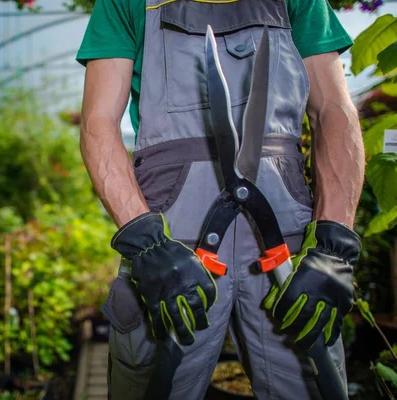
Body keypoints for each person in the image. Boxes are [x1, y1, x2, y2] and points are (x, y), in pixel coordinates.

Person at [76, 0, 365, 399]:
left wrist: (334, 242)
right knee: (151, 380)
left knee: (309, 375)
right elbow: (98, 122)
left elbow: (334, 109)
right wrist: (147, 243)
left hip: (283, 230)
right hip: (172, 233)